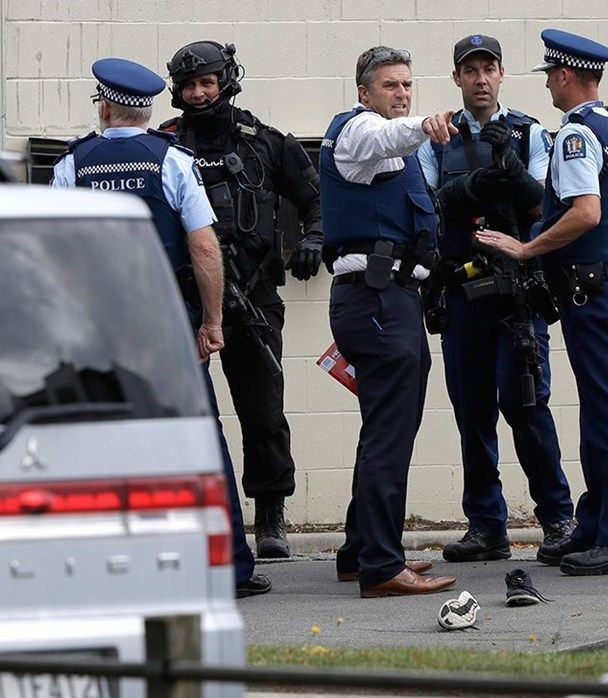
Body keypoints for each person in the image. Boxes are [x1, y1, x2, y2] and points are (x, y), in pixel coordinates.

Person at [52, 57, 271, 598]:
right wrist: (212, 320)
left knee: (98, 438)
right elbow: (203, 245)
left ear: (104, 105)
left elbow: (57, 253)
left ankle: (102, 566)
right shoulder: (172, 159)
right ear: (147, 110)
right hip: (166, 317)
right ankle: (230, 568)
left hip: (95, 325)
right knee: (198, 437)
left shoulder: (72, 164)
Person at [476, 29, 608, 576]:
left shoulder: (577, 134)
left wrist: (527, 247)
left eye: (551, 77)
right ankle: (595, 526)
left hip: (593, 292)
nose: (550, 86)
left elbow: (586, 212)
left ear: (564, 76)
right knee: (606, 410)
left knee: (607, 415)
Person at [161, 41, 325, 558]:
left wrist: (314, 239)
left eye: (206, 82)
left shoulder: (267, 143)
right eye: (189, 86)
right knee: (182, 414)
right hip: (184, 303)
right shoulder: (163, 145)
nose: (198, 93)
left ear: (226, 80)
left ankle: (270, 518)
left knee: (262, 412)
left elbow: (317, 198)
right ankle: (187, 515)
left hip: (253, 298)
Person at [416, 34, 575, 564]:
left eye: (489, 69)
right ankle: (487, 526)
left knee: (526, 404)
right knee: (473, 412)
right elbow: (429, 206)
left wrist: (513, 180)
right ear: (457, 78)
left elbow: (544, 210)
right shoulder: (437, 137)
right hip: (462, 293)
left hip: (518, 296)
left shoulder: (530, 133)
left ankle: (557, 519)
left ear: (502, 74)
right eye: (470, 70)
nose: (480, 79)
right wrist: (475, 188)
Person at [318, 46, 459, 597]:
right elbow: (385, 137)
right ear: (363, 92)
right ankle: (380, 565)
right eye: (389, 86)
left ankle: (360, 552)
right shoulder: (358, 131)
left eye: (407, 85)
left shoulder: (390, 150)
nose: (401, 93)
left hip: (394, 301)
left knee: (384, 430)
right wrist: (424, 125)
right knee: (389, 435)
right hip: (376, 301)